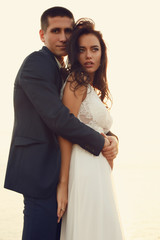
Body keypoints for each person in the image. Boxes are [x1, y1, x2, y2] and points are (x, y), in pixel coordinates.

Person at [4, 7, 118, 240]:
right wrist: (101, 141)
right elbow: (58, 117)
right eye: (56, 31)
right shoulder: (36, 63)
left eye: (68, 30)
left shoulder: (65, 70)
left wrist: (111, 137)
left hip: (63, 170)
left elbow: (80, 115)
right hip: (40, 171)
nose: (63, 37)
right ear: (42, 34)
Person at [57, 19, 124, 240]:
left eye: (94, 49)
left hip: (98, 170)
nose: (88, 55)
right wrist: (64, 185)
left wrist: (114, 140)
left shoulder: (89, 86)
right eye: (82, 50)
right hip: (83, 169)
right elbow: (65, 132)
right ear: (74, 54)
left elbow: (97, 127)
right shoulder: (76, 81)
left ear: (102, 54)